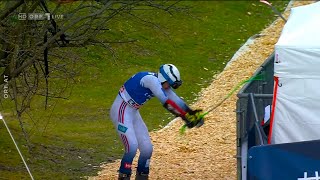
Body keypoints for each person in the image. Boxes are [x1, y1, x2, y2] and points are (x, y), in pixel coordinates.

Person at [109, 64, 204, 180]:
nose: (169, 87)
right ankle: (124, 175)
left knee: (147, 149)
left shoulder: (161, 83)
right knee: (132, 146)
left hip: (132, 111)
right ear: (164, 79)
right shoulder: (151, 81)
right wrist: (185, 118)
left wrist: (191, 113)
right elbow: (166, 102)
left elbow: (176, 100)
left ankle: (142, 176)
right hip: (121, 110)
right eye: (169, 84)